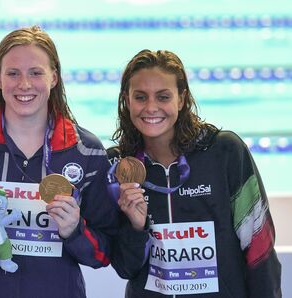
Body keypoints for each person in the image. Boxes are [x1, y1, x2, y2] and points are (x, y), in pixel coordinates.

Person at [0, 26, 141, 297]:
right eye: (13, 73)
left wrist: (74, 230)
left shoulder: (86, 152)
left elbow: (104, 252)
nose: (24, 84)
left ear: (54, 77)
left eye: (36, 73)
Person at [108, 49, 282, 297]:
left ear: (181, 99)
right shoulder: (119, 167)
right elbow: (126, 267)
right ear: (127, 100)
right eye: (140, 97)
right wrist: (137, 228)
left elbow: (259, 249)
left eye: (163, 96)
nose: (151, 107)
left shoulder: (224, 153)